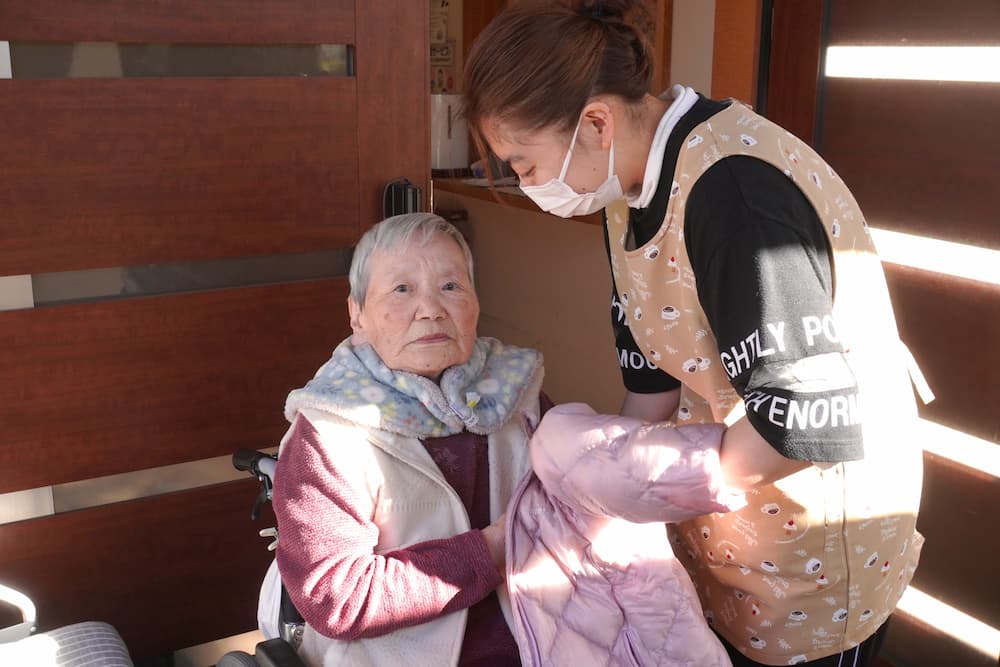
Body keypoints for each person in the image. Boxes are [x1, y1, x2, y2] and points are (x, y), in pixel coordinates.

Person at [462, 2, 925, 666]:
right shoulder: (623, 190)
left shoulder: (734, 198)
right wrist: (595, 500)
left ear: (596, 121)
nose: (524, 184)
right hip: (734, 527)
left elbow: (807, 415)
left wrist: (647, 481)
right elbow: (648, 389)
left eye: (524, 165)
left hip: (817, 543)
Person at [260, 213, 743, 667]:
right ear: (357, 315)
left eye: (451, 286)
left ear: (475, 304)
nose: (430, 309)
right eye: (401, 290)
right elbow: (338, 599)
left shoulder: (519, 397)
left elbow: (584, 500)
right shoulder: (328, 436)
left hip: (544, 644)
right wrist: (495, 547)